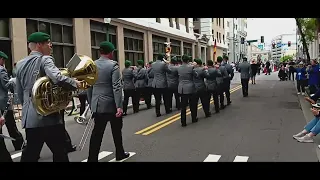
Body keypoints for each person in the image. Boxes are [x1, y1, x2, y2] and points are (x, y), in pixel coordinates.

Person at [17, 32, 82, 162]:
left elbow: (19, 91)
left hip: (30, 118)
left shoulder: (20, 63)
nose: (51, 45)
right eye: (48, 42)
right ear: (39, 45)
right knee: (60, 153)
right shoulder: (45, 59)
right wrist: (74, 83)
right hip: (48, 116)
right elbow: (57, 78)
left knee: (30, 154)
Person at [87, 41, 129, 162]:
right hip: (111, 104)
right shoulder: (113, 65)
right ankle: (120, 153)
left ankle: (92, 159)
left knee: (97, 133)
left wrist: (91, 104)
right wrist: (119, 106)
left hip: (97, 104)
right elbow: (116, 87)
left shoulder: (92, 65)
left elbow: (89, 87)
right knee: (116, 131)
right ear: (111, 52)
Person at [0, 51, 24, 151]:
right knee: (11, 125)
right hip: (3, 102)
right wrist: (14, 81)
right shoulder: (1, 70)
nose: (3, 62)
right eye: (3, 60)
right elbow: (6, 85)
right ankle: (19, 144)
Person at [177, 55, 198, 127]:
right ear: (188, 60)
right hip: (190, 87)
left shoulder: (178, 68)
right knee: (193, 105)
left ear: (182, 60)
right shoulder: (191, 67)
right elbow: (196, 75)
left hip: (182, 88)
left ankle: (183, 122)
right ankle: (194, 118)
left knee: (183, 106)